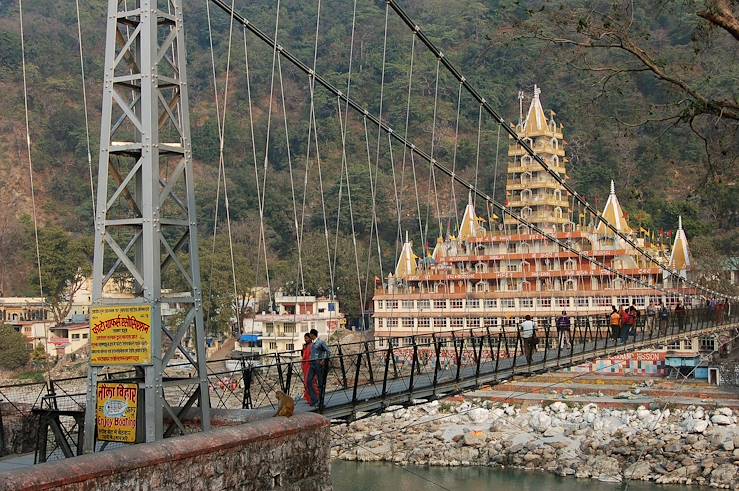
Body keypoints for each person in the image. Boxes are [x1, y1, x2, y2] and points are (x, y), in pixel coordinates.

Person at [306, 328, 331, 407]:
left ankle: (321, 401)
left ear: (312, 335)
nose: (310, 336)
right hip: (312, 364)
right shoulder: (313, 343)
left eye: (310, 335)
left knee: (320, 383)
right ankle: (314, 399)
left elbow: (328, 351)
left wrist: (323, 360)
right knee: (308, 381)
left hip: (318, 364)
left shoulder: (320, 342)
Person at [301, 333, 318, 404]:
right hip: (306, 366)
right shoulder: (306, 346)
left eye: (307, 338)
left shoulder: (313, 346)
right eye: (305, 338)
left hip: (311, 366)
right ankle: (310, 398)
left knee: (311, 382)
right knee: (307, 382)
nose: (305, 339)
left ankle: (315, 398)